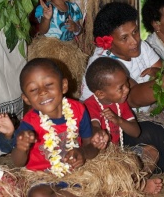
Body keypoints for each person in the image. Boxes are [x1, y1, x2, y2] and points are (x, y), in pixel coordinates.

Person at [80, 1, 164, 172]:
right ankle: (132, 178)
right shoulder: (105, 63)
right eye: (125, 38)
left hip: (134, 118)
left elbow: (162, 70)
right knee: (158, 134)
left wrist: (163, 75)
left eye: (135, 32)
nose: (134, 41)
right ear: (108, 43)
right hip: (109, 129)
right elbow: (132, 98)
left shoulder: (141, 46)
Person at [12, 58, 109, 196]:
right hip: (41, 178)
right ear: (26, 98)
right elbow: (17, 162)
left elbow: (90, 146)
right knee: (38, 194)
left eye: (49, 84)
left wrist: (82, 153)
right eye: (33, 89)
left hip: (75, 174)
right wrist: (21, 148)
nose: (42, 92)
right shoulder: (29, 123)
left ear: (63, 86)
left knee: (95, 188)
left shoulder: (78, 110)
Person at [84, 57, 163, 194]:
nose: (127, 89)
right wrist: (98, 133)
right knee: (108, 174)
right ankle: (137, 186)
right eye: (121, 87)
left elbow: (136, 132)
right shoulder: (89, 106)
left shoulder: (121, 102)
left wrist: (119, 120)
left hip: (119, 155)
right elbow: (94, 126)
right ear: (100, 93)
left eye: (126, 82)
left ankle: (133, 184)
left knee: (151, 152)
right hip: (99, 161)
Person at [28, 0, 87, 98]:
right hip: (51, 49)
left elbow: (79, 30)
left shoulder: (74, 8)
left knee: (69, 82)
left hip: (69, 49)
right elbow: (43, 31)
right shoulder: (45, 9)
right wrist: (46, 18)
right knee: (52, 82)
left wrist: (75, 27)